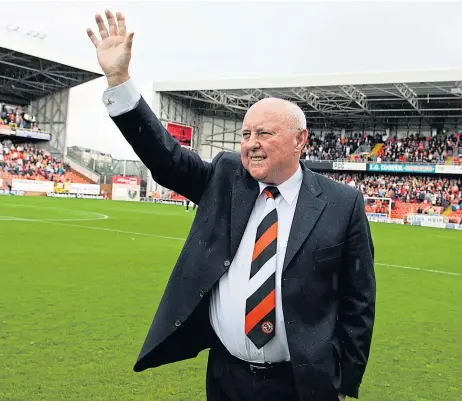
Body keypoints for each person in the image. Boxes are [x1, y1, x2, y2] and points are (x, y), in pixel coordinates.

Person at [87, 10, 376, 401]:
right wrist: (119, 81)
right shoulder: (226, 178)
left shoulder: (342, 204)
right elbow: (166, 158)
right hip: (226, 378)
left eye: (265, 133)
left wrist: (343, 382)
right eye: (245, 133)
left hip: (301, 385)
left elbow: (359, 304)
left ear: (299, 140)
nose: (251, 142)